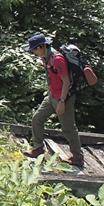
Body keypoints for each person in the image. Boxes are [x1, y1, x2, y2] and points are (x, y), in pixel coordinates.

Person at [23, 33, 84, 165]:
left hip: (64, 97)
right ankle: (38, 148)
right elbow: (52, 76)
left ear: (42, 46)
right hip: (52, 96)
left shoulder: (57, 59)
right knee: (37, 119)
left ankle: (78, 157)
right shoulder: (46, 57)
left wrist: (62, 102)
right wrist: (49, 91)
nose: (33, 52)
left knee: (68, 128)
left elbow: (66, 82)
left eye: (34, 49)